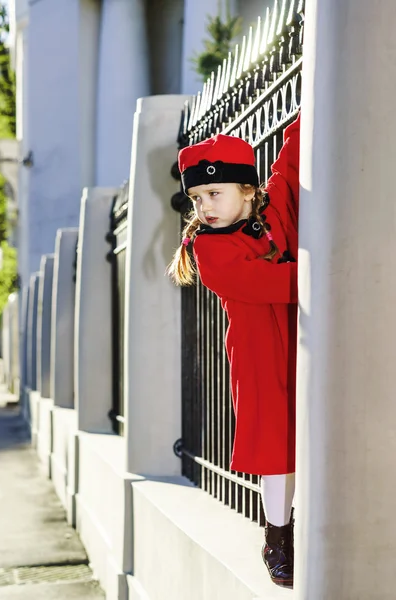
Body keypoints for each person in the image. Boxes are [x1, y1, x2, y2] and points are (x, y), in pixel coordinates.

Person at [167, 113, 300, 588]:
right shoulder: (209, 250)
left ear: (248, 190)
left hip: (304, 345)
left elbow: (288, 168)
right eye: (198, 198)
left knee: (315, 432)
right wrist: (327, 275)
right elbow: (270, 283)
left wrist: (312, 102)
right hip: (260, 355)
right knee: (275, 447)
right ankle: (278, 534)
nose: (204, 206)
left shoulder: (273, 212)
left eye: (214, 194)